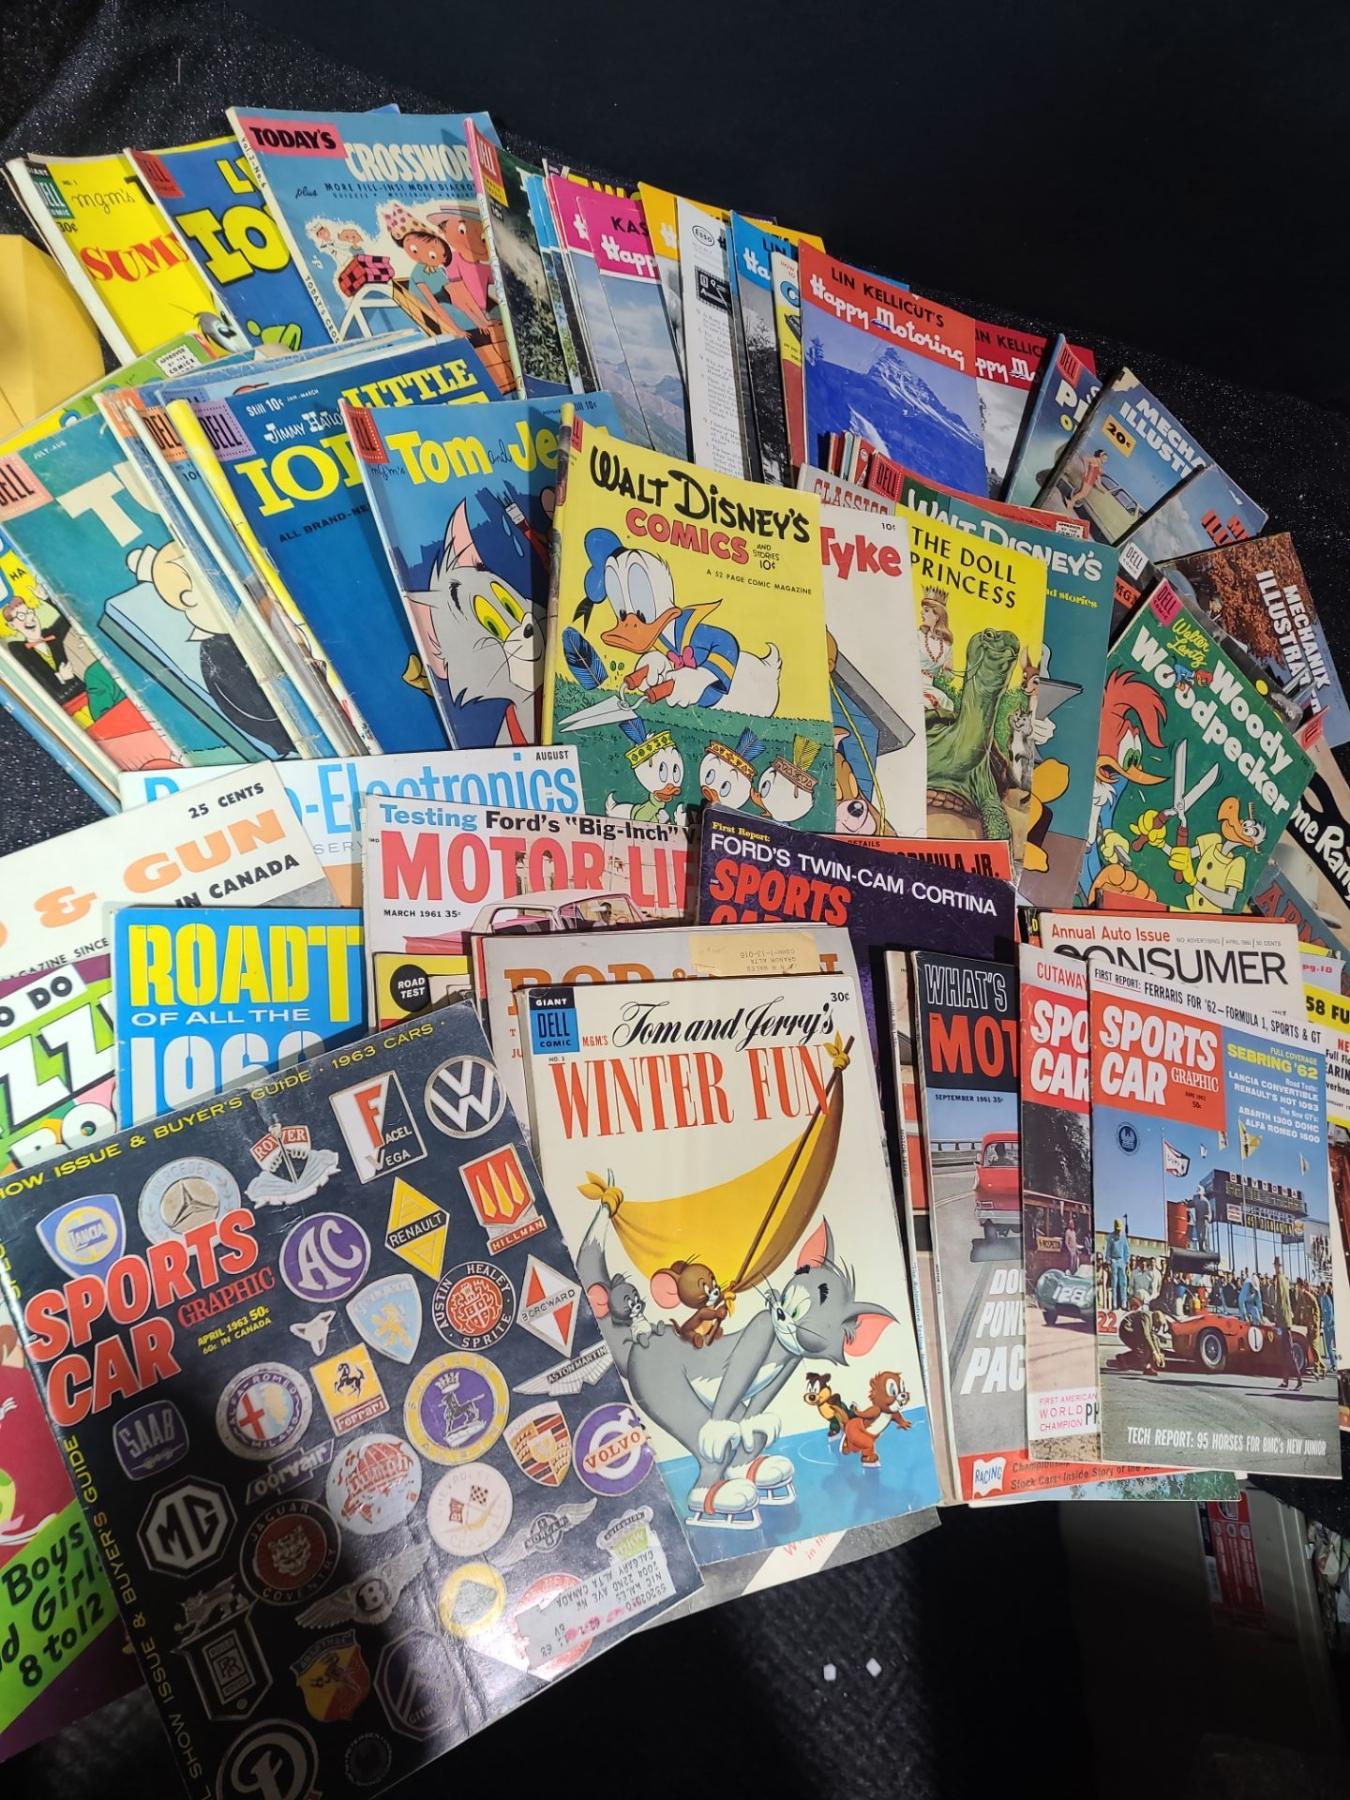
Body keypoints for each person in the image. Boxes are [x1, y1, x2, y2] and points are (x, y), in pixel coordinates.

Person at [1272, 1257, 1304, 1391]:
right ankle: (1285, 1380)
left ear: (1278, 1266)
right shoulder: (1285, 1279)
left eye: (1277, 1265)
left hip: (1283, 1321)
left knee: (1288, 1352)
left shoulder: (1279, 1279)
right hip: (1286, 1320)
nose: (1276, 1267)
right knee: (1285, 1353)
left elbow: (1279, 1300)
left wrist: (1276, 1316)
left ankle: (1299, 1381)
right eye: (1276, 1265)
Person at [1295, 1279, 1326, 1377]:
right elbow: (1298, 1310)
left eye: (1298, 1287)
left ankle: (1318, 1368)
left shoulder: (1310, 1297)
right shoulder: (1301, 1297)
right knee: (1311, 1347)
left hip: (1314, 1326)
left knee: (1314, 1346)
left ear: (1301, 1287)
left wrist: (1315, 1323)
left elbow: (1317, 1310)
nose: (1297, 1289)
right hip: (1309, 1326)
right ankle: (1322, 1367)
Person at [1067, 448, 1108, 517]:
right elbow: (1085, 459)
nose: (1105, 460)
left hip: (1091, 480)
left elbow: (1098, 476)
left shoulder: (1099, 464)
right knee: (1083, 493)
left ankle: (1071, 502)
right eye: (1104, 458)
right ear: (1100, 456)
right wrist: (1086, 471)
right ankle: (1070, 502)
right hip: (1089, 478)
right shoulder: (1096, 460)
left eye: (1106, 459)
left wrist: (1100, 487)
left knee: (1084, 494)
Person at [1106, 1220, 1130, 1309]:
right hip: (1114, 1261)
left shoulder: (1123, 1238)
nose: (1118, 1231)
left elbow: (1127, 1251)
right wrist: (1109, 1261)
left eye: (1119, 1229)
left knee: (1123, 1283)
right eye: (1117, 1229)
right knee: (1114, 1283)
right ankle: (1114, 1303)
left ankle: (1124, 1303)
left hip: (1121, 1261)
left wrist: (1126, 1262)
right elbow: (1108, 1250)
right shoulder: (1110, 1237)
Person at [1321, 1283, 1337, 1368]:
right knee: (1329, 1346)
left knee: (1330, 1345)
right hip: (1326, 1324)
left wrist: (1328, 1323)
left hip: (1329, 1325)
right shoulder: (1321, 1298)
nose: (1321, 1290)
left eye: (1322, 1289)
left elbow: (1330, 1312)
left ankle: (1334, 1364)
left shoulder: (1327, 1298)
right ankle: (1333, 1363)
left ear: (1325, 1289)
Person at [1194, 1188, 1212, 1254]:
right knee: (1199, 1235)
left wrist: (1208, 1217)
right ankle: (1201, 1248)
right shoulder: (1195, 1199)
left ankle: (1206, 1248)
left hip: (1204, 1220)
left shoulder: (1206, 1201)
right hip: (1198, 1220)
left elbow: (1209, 1212)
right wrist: (1186, 1203)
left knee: (1205, 1235)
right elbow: (1191, 1204)